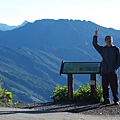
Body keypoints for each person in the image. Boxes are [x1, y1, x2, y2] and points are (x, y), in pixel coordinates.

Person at [92, 28, 120, 105]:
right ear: (105, 41)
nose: (109, 41)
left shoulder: (116, 49)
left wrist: (115, 67)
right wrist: (95, 35)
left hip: (113, 71)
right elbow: (95, 44)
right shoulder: (103, 49)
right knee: (105, 87)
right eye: (107, 40)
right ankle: (106, 100)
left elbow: (119, 60)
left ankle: (116, 100)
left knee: (114, 87)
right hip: (104, 71)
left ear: (112, 40)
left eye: (110, 39)